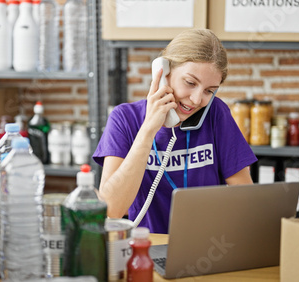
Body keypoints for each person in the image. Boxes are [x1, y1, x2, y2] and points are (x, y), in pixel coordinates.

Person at [93, 29, 257, 234]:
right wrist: (148, 130)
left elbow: (245, 200)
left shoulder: (216, 113)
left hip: (206, 249)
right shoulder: (124, 119)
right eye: (190, 83)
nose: (197, 100)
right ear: (163, 71)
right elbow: (112, 209)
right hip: (146, 248)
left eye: (209, 90)